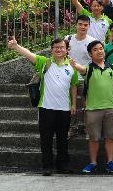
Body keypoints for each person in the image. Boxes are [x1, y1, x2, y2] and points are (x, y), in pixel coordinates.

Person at [8, 37, 78, 175]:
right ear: (51, 50)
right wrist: (16, 46)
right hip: (46, 108)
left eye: (61, 47)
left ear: (66, 49)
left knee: (63, 139)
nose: (59, 49)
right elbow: (29, 55)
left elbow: (73, 86)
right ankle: (47, 166)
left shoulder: (72, 66)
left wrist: (74, 104)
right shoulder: (44, 62)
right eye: (55, 47)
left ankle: (62, 165)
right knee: (46, 139)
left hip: (64, 109)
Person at [75, 40, 113, 174]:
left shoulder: (112, 67)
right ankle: (93, 162)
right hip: (93, 109)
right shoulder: (88, 68)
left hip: (111, 108)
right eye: (95, 49)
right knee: (93, 138)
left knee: (111, 136)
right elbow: (81, 69)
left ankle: (110, 162)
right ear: (90, 54)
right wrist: (73, 64)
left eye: (101, 48)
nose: (99, 51)